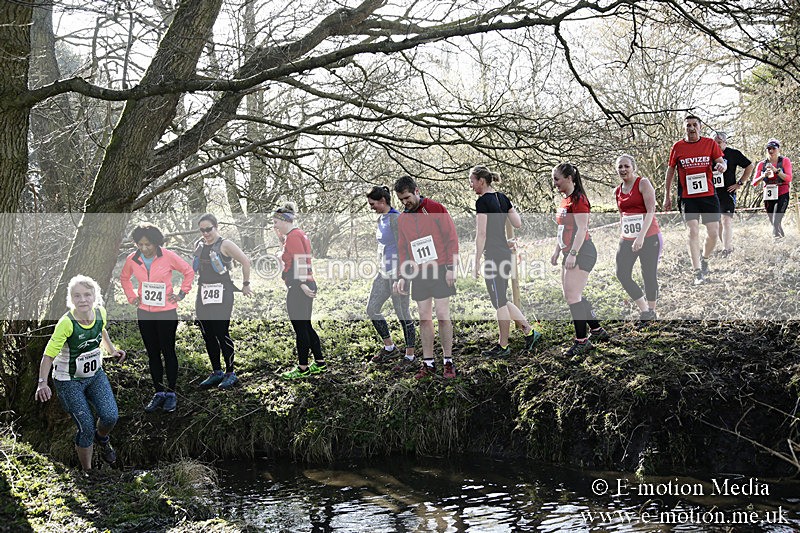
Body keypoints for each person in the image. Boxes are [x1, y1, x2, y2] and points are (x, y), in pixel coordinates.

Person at [35, 275, 126, 471]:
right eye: (77, 296)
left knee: (110, 416)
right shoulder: (66, 323)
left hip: (94, 375)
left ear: (95, 296)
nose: (82, 299)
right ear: (71, 299)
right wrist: (42, 383)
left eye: (87, 294)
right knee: (85, 426)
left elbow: (102, 331)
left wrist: (111, 350)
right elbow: (48, 356)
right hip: (68, 381)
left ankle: (102, 439)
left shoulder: (100, 312)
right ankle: (88, 472)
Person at [120, 223, 194, 413]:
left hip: (166, 312)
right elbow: (125, 278)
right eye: (140, 244)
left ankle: (171, 393)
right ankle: (158, 392)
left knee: (168, 350)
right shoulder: (132, 259)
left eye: (148, 244)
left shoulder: (167, 255)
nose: (144, 248)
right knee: (152, 352)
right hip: (144, 312)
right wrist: (131, 297)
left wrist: (181, 294)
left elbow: (188, 271)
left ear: (156, 242)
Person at [469, 165, 542, 356]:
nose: (471, 186)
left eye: (472, 181)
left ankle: (503, 346)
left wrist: (476, 260)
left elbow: (482, 233)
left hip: (493, 256)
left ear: (481, 181)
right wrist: (507, 205)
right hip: (505, 254)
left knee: (499, 302)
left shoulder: (482, 202)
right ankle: (529, 331)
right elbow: (517, 223)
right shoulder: (502, 198)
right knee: (500, 298)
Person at [393, 175, 459, 379]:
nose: (405, 203)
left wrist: (451, 267)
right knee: (424, 317)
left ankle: (448, 361)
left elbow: (451, 238)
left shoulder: (436, 208)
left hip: (440, 269)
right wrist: (403, 275)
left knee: (442, 314)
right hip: (418, 273)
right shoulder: (402, 219)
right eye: (401, 200)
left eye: (407, 198)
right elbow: (403, 248)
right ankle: (428, 363)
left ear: (416, 191)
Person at [550, 163, 609, 357]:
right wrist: (558, 251)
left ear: (569, 177)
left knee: (572, 297)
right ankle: (597, 330)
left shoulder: (579, 199)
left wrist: (573, 254)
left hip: (582, 251)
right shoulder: (564, 200)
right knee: (572, 294)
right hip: (569, 251)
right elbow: (563, 230)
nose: (554, 183)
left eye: (557, 179)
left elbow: (582, 229)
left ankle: (582, 341)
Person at [664, 114, 727, 285]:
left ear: (700, 127)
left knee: (713, 233)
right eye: (688, 125)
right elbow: (670, 171)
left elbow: (721, 161)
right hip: (687, 197)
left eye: (694, 125)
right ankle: (697, 271)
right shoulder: (677, 147)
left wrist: (722, 166)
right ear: (684, 128)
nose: (691, 128)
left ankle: (704, 258)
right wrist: (667, 195)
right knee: (692, 231)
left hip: (708, 195)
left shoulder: (709, 144)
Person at [193, 214, 252, 390]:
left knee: (221, 331)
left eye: (208, 229)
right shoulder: (200, 244)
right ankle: (216, 371)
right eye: (202, 230)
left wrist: (246, 284)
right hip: (203, 292)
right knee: (207, 333)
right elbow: (194, 268)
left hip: (223, 291)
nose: (206, 233)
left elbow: (245, 261)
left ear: (216, 227)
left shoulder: (225, 244)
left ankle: (230, 372)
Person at [365, 186, 417, 371]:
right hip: (383, 272)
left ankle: (410, 356)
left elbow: (405, 247)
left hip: (398, 273)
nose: (371, 207)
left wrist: (401, 275)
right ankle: (390, 347)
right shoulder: (381, 219)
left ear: (382, 201)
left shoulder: (396, 219)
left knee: (402, 313)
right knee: (372, 309)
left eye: (372, 204)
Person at [273, 203, 326, 379]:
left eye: (276, 222)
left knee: (300, 328)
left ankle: (302, 368)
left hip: (299, 286)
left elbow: (300, 260)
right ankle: (319, 363)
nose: (274, 225)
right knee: (305, 325)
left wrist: (301, 283)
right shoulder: (296, 234)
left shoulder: (294, 236)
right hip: (303, 284)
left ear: (284, 220)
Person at [613, 155, 662, 327]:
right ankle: (644, 310)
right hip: (627, 238)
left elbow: (651, 211)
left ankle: (651, 311)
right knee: (621, 273)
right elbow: (622, 216)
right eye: (620, 167)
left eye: (626, 166)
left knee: (648, 274)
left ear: (633, 167)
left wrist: (641, 236)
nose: (623, 170)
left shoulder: (643, 183)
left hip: (649, 236)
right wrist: (623, 235)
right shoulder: (617, 191)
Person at [712, 132, 754, 256]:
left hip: (728, 191)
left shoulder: (733, 153)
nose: (716, 145)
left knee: (726, 220)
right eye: (714, 143)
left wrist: (740, 183)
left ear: (725, 142)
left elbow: (750, 166)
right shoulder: (709, 155)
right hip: (713, 192)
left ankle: (727, 249)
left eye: (719, 143)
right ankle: (725, 245)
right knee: (718, 222)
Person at [752, 138, 793, 239]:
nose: (771, 151)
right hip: (769, 193)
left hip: (782, 192)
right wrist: (763, 175)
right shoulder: (761, 164)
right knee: (773, 221)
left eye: (773, 149)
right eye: (768, 149)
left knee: (776, 219)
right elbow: (754, 183)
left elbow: (789, 178)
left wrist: (777, 171)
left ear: (778, 149)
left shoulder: (784, 161)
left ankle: (776, 239)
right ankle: (782, 237)